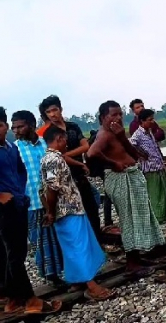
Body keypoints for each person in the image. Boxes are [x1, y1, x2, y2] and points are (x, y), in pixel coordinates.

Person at [87, 100, 166, 276]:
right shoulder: (104, 135)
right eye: (113, 114)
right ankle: (132, 264)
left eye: (120, 114)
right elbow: (91, 153)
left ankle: (136, 258)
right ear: (103, 117)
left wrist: (122, 137)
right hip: (120, 178)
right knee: (129, 220)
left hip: (130, 174)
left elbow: (133, 155)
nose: (118, 117)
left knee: (138, 218)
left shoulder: (117, 133)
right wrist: (113, 163)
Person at [40, 125, 115, 301]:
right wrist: (50, 212)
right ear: (58, 139)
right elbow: (52, 188)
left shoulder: (54, 158)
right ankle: (91, 286)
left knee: (74, 246)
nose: (66, 144)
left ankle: (77, 280)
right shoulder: (52, 160)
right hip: (67, 210)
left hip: (71, 208)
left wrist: (80, 164)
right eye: (65, 140)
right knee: (77, 246)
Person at [0, 106, 62, 315]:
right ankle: (30, 299)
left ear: (4, 126)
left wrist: (19, 193)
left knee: (15, 253)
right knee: (15, 255)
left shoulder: (10, 147)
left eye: (0, 126)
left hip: (20, 204)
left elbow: (20, 171)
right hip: (5, 210)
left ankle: (13, 298)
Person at [11, 111, 64, 286]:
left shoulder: (45, 144)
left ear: (32, 125)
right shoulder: (15, 149)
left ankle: (62, 271)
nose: (16, 130)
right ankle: (50, 276)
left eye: (20, 126)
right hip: (31, 203)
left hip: (53, 199)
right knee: (40, 241)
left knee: (58, 237)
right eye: (14, 127)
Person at [39, 95, 101, 240]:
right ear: (46, 115)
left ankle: (98, 242)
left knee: (91, 209)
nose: (53, 114)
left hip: (79, 174)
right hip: (64, 180)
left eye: (55, 110)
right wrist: (64, 156)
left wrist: (65, 155)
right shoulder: (49, 133)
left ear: (61, 109)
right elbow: (55, 155)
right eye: (49, 112)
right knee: (75, 214)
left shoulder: (73, 126)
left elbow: (86, 146)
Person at [130, 109, 166, 223]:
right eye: (150, 120)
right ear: (142, 121)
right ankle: (159, 217)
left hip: (158, 165)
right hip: (150, 168)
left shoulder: (149, 131)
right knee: (156, 193)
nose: (152, 121)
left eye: (152, 119)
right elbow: (130, 145)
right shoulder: (138, 134)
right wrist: (140, 154)